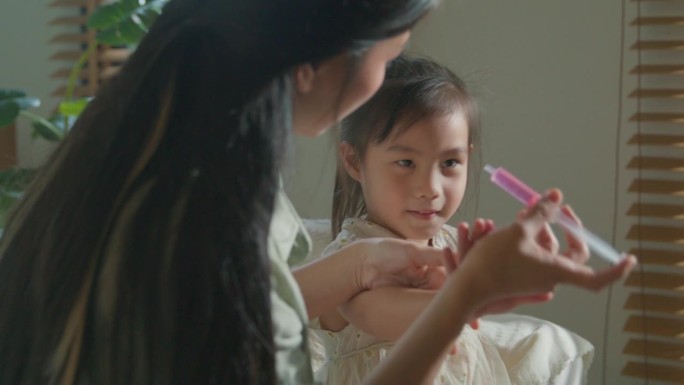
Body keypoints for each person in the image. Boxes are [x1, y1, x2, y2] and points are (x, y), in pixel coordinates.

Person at [0, 0, 636, 384]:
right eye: (387, 59)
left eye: (449, 162)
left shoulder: (131, 160)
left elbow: (270, 301)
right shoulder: (209, 233)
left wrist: (376, 267)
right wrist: (468, 291)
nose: (430, 185)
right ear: (316, 61)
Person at [305, 55, 595, 385]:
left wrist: (522, 264)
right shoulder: (350, 259)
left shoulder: (453, 243)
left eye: (450, 163)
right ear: (355, 162)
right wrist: (475, 292)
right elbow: (390, 316)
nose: (430, 188)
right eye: (405, 162)